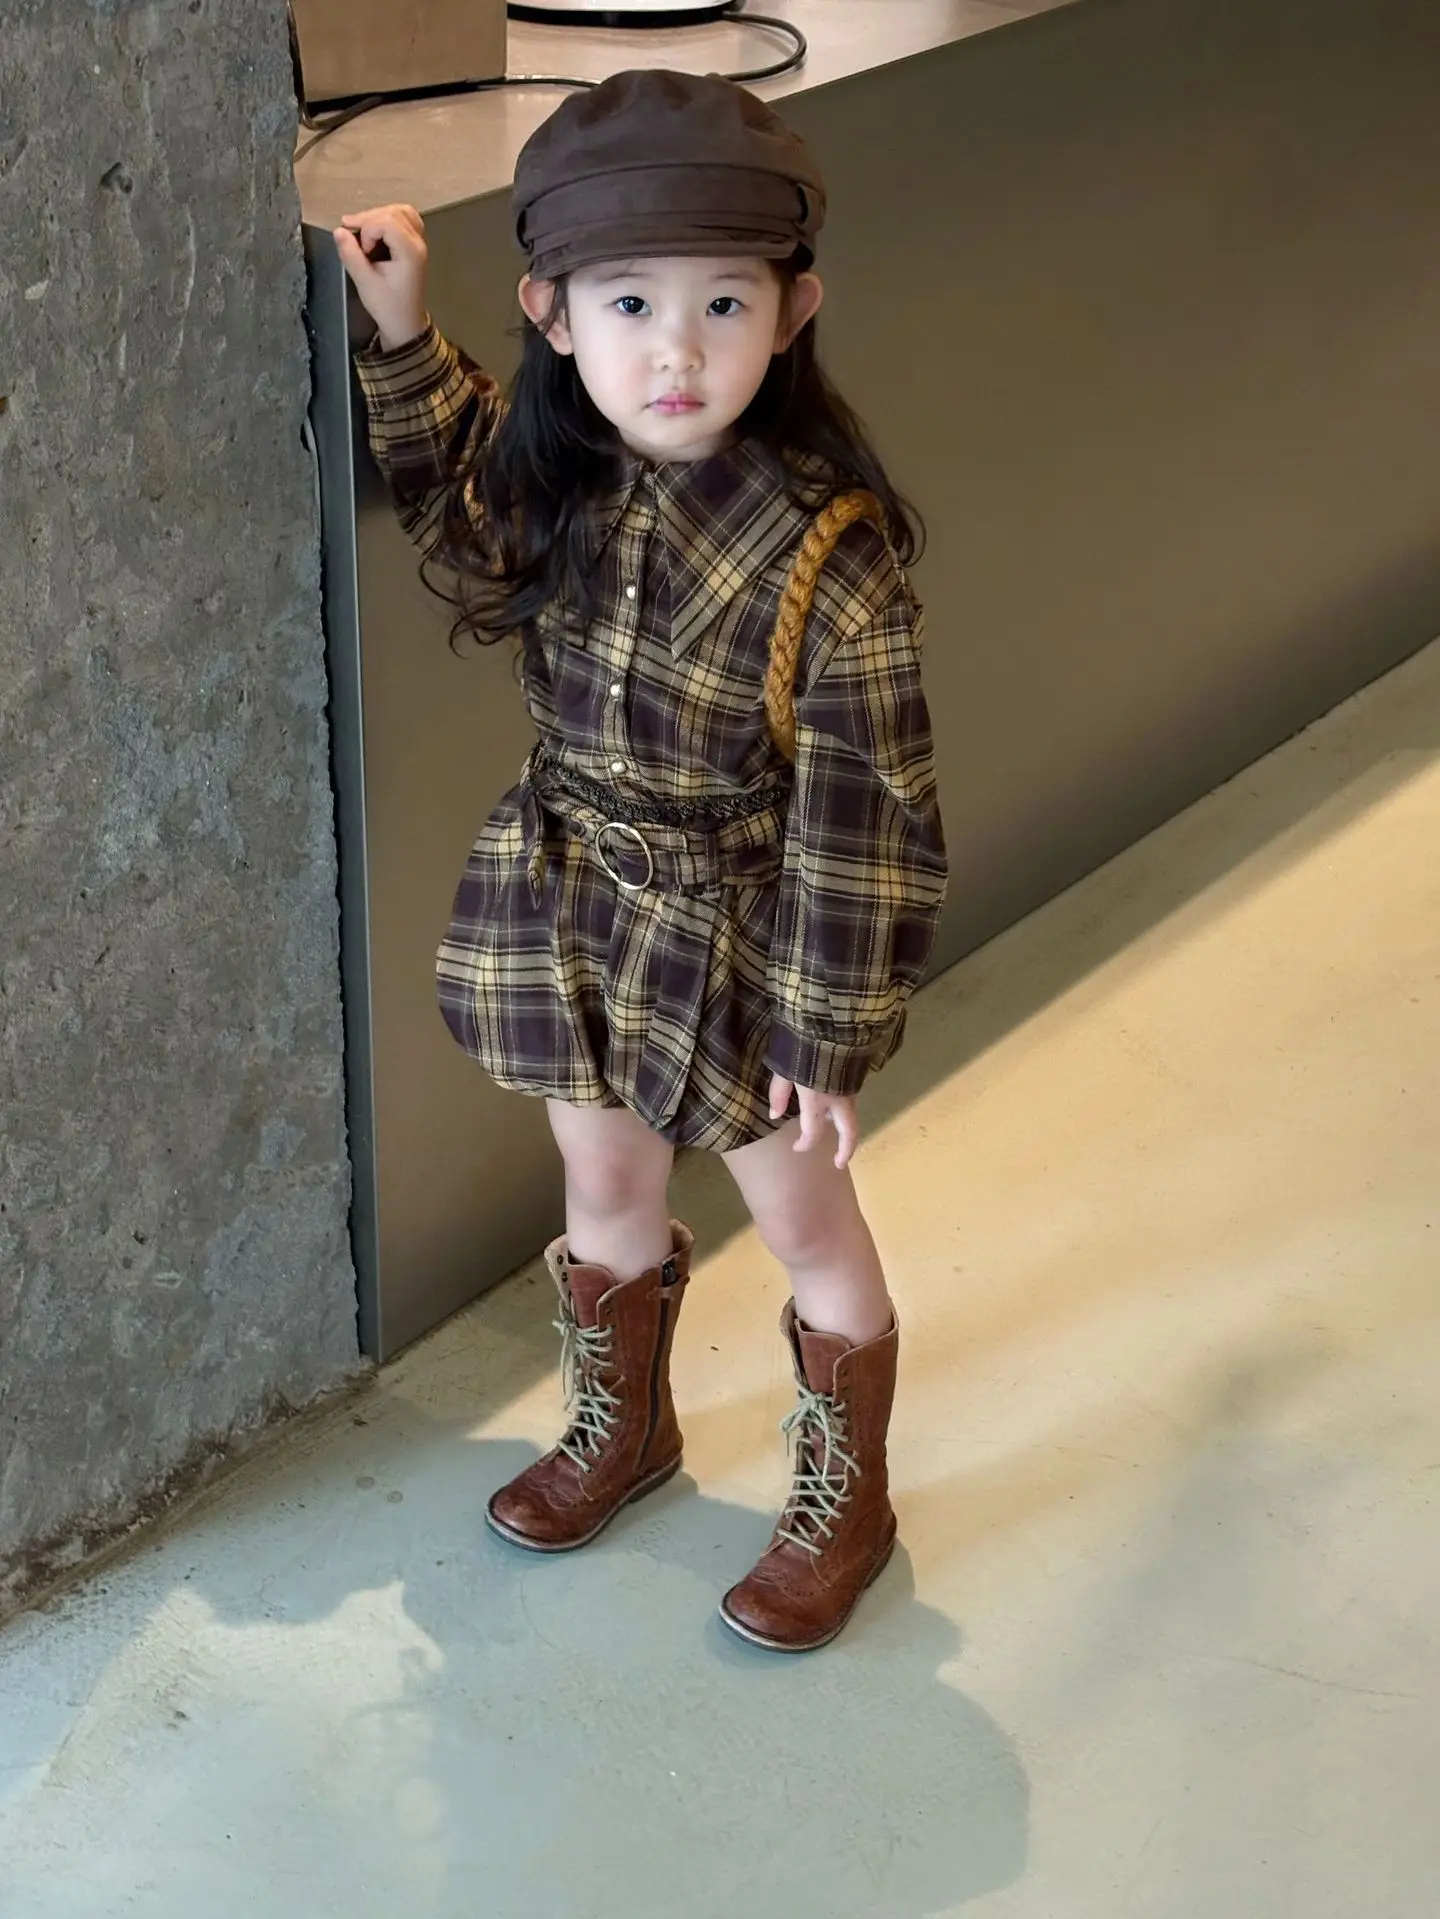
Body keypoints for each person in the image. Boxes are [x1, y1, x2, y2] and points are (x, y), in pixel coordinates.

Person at [334, 68, 948, 1652]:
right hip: (575, 901)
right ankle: (628, 1427)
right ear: (552, 314)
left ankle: (848, 1499)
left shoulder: (827, 550)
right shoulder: (565, 476)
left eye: (722, 304)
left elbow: (867, 814)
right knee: (602, 1179)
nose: (675, 352)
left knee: (807, 1225)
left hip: (746, 942)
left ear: (794, 310)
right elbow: (459, 505)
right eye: (629, 304)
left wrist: (826, 1026)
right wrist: (402, 330)